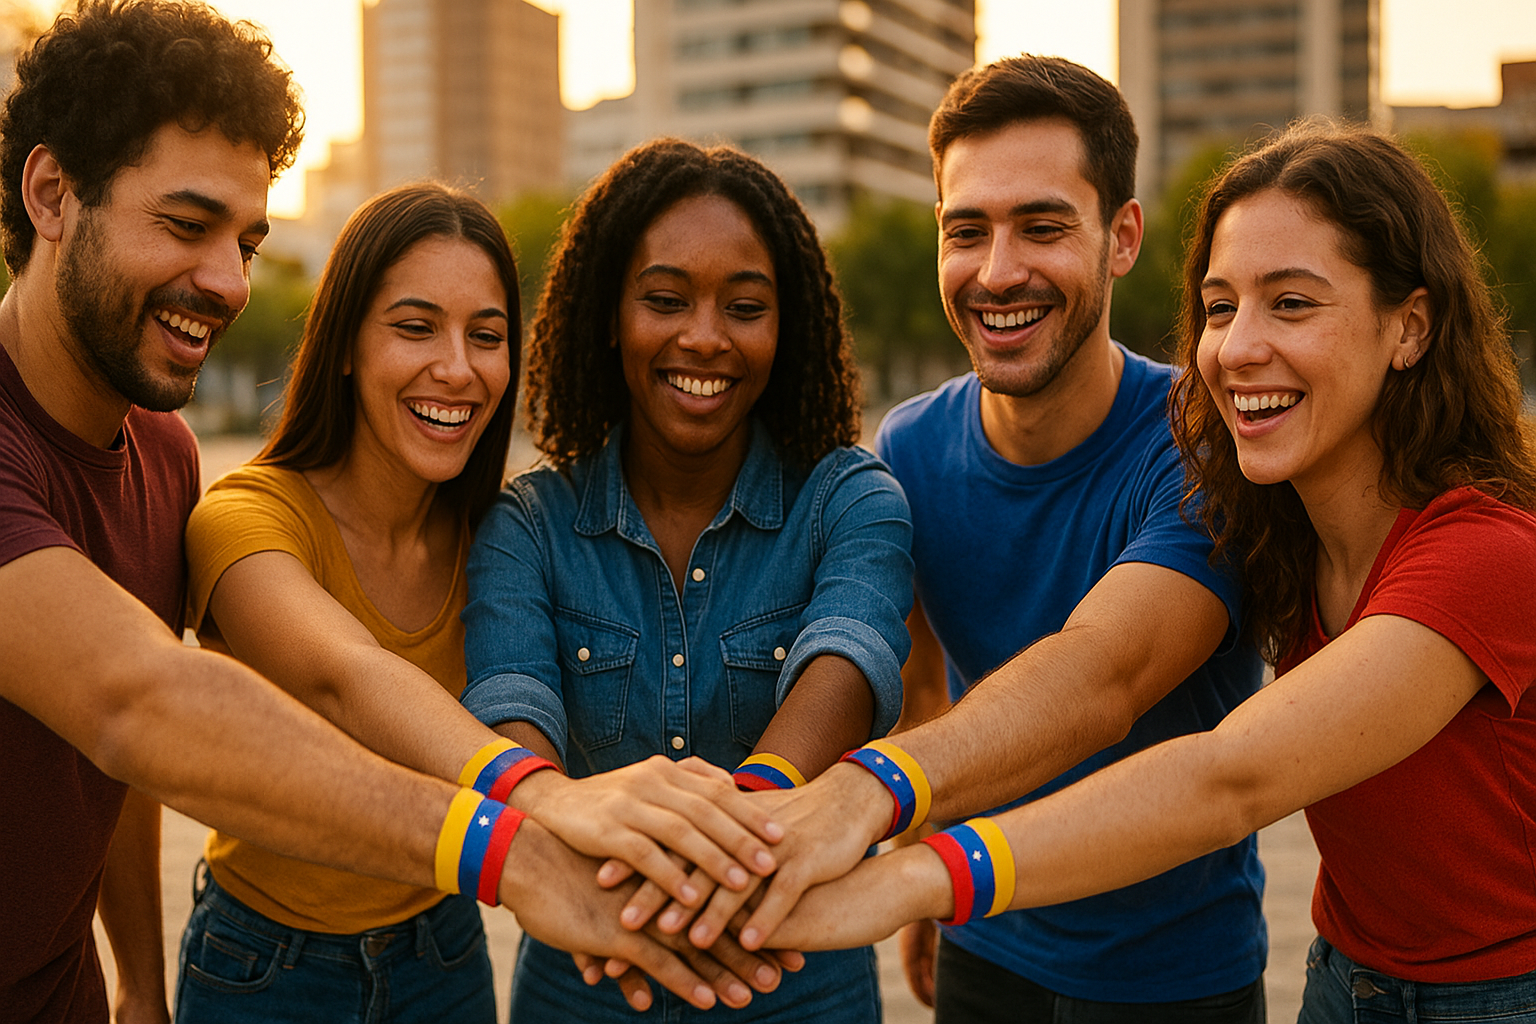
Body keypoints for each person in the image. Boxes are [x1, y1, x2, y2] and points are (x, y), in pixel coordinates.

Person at [0, 4, 781, 1022]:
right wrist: (521, 835)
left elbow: (118, 762)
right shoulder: (234, 506)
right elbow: (141, 702)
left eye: (247, 242)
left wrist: (138, 982)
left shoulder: (162, 450)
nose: (228, 282)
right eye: (188, 226)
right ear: (52, 195)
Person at [766, 119, 1536, 1024]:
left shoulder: (1485, 554)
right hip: (1343, 974)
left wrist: (905, 864)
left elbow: (1226, 777)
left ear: (1409, 327)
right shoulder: (1285, 529)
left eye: (1292, 303)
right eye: (1220, 307)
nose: (1236, 348)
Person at [660, 55, 1268, 1024]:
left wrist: (870, 797)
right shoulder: (909, 446)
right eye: (967, 230)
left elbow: (1103, 677)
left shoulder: (1206, 443)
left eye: (1042, 227)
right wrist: (922, 863)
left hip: (1174, 976)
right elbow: (927, 689)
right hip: (983, 937)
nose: (997, 272)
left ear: (1122, 237)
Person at [170, 181, 785, 1022]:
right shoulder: (244, 516)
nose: (458, 368)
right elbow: (344, 675)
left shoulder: (501, 536)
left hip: (446, 952)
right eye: (416, 327)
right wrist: (547, 796)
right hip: (263, 967)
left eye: (486, 336)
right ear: (344, 344)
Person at [458, 137, 914, 1022]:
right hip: (588, 974)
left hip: (798, 980)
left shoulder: (852, 499)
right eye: (665, 300)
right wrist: (579, 834)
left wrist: (741, 824)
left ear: (786, 329)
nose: (704, 337)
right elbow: (512, 708)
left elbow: (848, 661)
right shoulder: (527, 524)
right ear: (609, 316)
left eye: (744, 307)